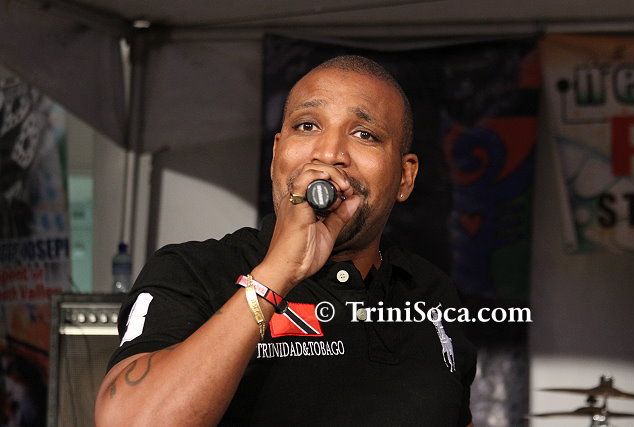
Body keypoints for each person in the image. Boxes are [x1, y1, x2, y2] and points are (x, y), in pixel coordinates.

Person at [95, 55, 476, 426]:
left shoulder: (430, 292)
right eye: (307, 126)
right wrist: (276, 273)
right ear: (277, 153)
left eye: (365, 134)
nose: (329, 153)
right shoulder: (194, 271)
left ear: (406, 178)